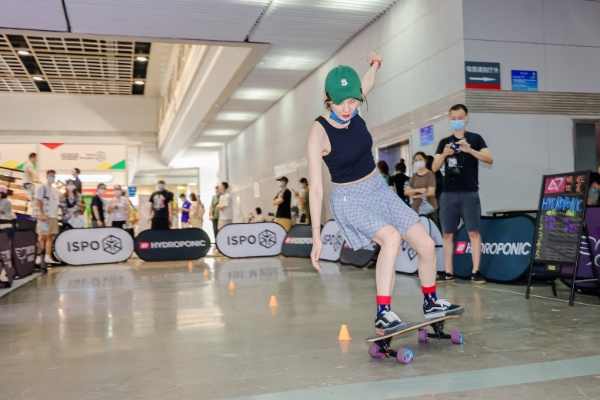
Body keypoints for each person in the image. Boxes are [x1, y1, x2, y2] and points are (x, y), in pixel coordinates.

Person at [307, 53, 463, 336]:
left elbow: (367, 83)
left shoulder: (355, 107)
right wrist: (316, 235)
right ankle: (383, 314)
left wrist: (375, 65)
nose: (347, 108)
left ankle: (431, 303)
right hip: (348, 198)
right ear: (327, 97)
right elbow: (316, 188)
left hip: (378, 188)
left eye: (353, 101)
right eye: (341, 102)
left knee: (426, 245)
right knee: (390, 237)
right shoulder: (318, 132)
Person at [432, 104, 493, 284]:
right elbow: (434, 167)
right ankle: (449, 271)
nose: (457, 121)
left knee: (473, 232)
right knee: (447, 234)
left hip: (469, 192)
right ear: (449, 119)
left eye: (460, 118)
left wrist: (470, 150)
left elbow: (489, 159)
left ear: (466, 118)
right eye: (453, 118)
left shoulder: (476, 139)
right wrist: (443, 155)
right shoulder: (444, 142)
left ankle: (476, 271)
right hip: (449, 194)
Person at [404, 152, 439, 225]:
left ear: (425, 160)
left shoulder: (430, 174)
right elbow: (406, 192)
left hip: (430, 209)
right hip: (416, 209)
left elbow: (431, 193)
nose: (418, 162)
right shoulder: (413, 176)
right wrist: (419, 190)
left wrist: (414, 195)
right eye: (416, 160)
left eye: (420, 159)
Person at [34, 170, 60, 266]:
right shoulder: (41, 187)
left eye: (54, 176)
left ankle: (47, 257)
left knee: (50, 236)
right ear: (46, 176)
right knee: (42, 236)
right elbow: (38, 201)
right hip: (45, 216)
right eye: (51, 175)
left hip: (53, 216)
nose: (52, 177)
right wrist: (42, 214)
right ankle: (38, 257)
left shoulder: (54, 190)